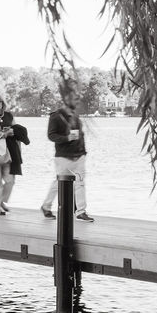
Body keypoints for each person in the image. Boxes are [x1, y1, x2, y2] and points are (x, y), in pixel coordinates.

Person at [40, 82, 93, 222]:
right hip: (63, 156)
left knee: (80, 183)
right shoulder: (56, 116)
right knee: (59, 183)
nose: (77, 101)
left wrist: (84, 152)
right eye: (75, 99)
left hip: (79, 156)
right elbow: (51, 135)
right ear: (67, 99)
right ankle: (46, 206)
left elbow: (81, 135)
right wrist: (67, 138)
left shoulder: (76, 116)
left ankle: (81, 212)